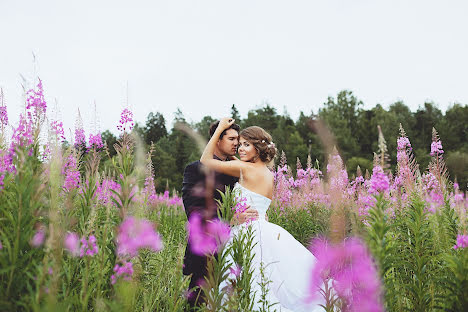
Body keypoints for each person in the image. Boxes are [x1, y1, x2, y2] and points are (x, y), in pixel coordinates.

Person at [200, 117, 325, 312]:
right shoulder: (266, 172)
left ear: (258, 148)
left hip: (246, 232)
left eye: (246, 145)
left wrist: (220, 130)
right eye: (239, 144)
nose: (240, 149)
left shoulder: (245, 169)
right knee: (269, 283)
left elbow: (205, 160)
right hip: (263, 229)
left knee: (248, 284)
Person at [182, 120, 259, 309]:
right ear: (217, 139)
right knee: (199, 301)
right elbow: (192, 210)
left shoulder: (235, 172)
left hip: (234, 245)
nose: (236, 144)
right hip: (204, 247)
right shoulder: (195, 169)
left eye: (238, 140)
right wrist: (228, 219)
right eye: (231, 139)